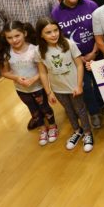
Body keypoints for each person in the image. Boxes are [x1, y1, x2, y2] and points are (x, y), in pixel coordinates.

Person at [51, 0, 103, 129]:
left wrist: (94, 52)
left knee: (101, 81)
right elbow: (60, 39)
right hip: (75, 59)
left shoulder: (91, 5)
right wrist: (79, 57)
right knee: (86, 86)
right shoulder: (56, 13)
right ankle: (94, 113)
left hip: (96, 52)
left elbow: (98, 30)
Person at [35, 17, 94, 152]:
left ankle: (87, 133)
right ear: (41, 35)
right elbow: (43, 73)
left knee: (80, 109)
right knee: (69, 111)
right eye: (48, 32)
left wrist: (79, 85)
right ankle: (76, 131)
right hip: (58, 89)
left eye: (56, 30)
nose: (54, 34)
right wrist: (49, 92)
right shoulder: (38, 51)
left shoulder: (68, 44)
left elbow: (79, 65)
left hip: (74, 86)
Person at [0, 21, 57, 144]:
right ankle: (42, 128)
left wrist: (34, 79)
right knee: (34, 111)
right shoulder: (7, 54)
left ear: (25, 33)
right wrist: (16, 78)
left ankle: (53, 126)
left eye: (17, 36)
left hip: (38, 87)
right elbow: (4, 73)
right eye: (10, 38)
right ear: (5, 38)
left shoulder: (35, 50)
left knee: (45, 108)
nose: (14, 40)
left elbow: (44, 69)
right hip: (22, 90)